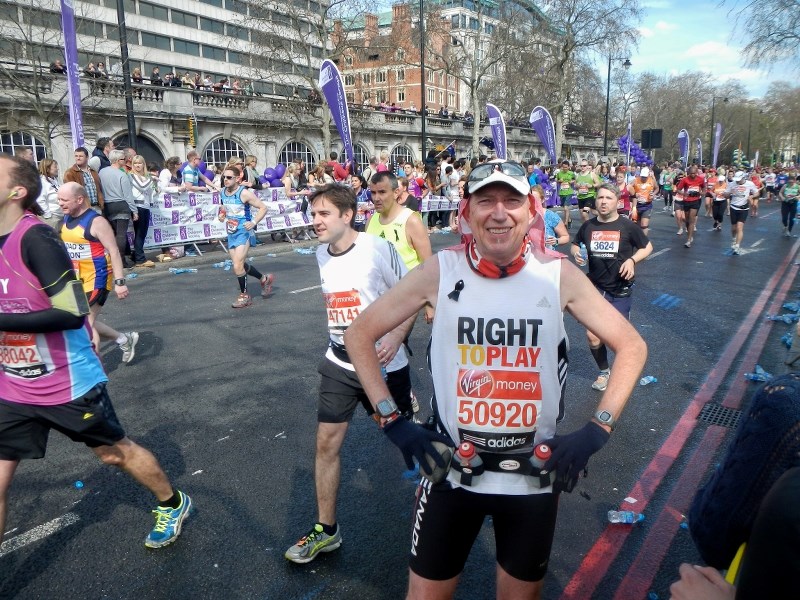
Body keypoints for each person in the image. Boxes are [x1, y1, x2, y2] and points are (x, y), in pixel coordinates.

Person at [342, 160, 647, 599]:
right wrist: (391, 421)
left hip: (532, 476)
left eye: (511, 200)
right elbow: (359, 334)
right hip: (451, 473)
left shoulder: (557, 274)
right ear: (466, 212)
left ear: (532, 210)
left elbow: (632, 346)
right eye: (485, 200)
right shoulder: (441, 271)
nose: (498, 212)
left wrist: (599, 428)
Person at [0, 155, 192, 550]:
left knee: (112, 454)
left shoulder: (36, 237)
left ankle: (172, 502)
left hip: (66, 382)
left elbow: (72, 311)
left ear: (16, 192)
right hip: (13, 388)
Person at [284, 183, 416, 565]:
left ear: (347, 215)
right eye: (313, 215)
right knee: (326, 443)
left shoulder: (377, 249)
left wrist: (395, 336)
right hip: (340, 363)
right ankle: (326, 530)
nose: (315, 222)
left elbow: (412, 294)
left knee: (404, 439)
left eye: (323, 214)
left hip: (383, 366)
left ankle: (441, 500)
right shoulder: (320, 254)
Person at [572, 183, 652, 392]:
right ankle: (604, 372)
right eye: (600, 198)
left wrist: (632, 261)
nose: (603, 202)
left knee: (617, 338)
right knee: (592, 335)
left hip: (619, 289)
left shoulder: (627, 226)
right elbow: (575, 242)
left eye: (608, 198)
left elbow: (647, 247)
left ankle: (625, 370)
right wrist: (575, 252)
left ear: (617, 201)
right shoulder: (588, 226)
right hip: (595, 289)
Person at [57, 182, 139, 360]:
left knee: (85, 325)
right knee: (79, 321)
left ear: (79, 199)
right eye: (58, 199)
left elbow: (115, 251)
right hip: (77, 281)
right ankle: (124, 339)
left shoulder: (97, 222)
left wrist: (120, 282)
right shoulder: (67, 218)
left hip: (98, 279)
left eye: (64, 200)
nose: (60, 203)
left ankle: (96, 373)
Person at [217, 165, 274, 308]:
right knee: (239, 265)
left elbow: (263, 208)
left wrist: (253, 222)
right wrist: (222, 214)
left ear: (237, 179)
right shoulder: (223, 192)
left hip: (244, 232)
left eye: (229, 177)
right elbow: (224, 207)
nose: (226, 180)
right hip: (231, 232)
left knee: (237, 265)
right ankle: (264, 279)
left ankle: (245, 296)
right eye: (224, 177)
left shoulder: (244, 193)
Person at [366, 171, 431, 271]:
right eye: (373, 193)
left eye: (382, 192)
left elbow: (428, 265)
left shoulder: (412, 221)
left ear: (396, 192)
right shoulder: (370, 220)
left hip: (409, 285)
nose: (376, 198)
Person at [98, 150, 138, 268]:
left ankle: (113, 259)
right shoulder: (122, 175)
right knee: (121, 234)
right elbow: (128, 195)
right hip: (121, 205)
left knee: (113, 234)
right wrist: (134, 211)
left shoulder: (102, 172)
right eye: (123, 159)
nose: (125, 161)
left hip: (107, 206)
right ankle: (120, 260)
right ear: (117, 160)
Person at [128, 154, 157, 268]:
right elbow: (142, 186)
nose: (137, 165)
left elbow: (152, 192)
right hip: (137, 206)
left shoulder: (147, 177)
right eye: (135, 163)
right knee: (139, 233)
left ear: (143, 164)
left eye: (140, 163)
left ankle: (136, 255)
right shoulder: (131, 176)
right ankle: (140, 259)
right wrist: (151, 179)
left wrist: (155, 185)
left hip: (145, 207)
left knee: (143, 233)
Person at [63, 147, 104, 212]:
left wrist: (101, 202)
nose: (78, 158)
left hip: (97, 207)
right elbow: (69, 193)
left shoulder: (93, 172)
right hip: (81, 208)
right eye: (76, 156)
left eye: (81, 156)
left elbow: (99, 189)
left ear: (87, 157)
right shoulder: (70, 173)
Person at [727, 171, 758, 255]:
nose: (737, 181)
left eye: (739, 179)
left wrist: (751, 196)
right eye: (736, 179)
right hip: (733, 207)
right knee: (734, 228)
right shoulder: (732, 184)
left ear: (743, 178)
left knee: (739, 227)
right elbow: (726, 195)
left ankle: (737, 246)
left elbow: (757, 192)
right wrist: (728, 193)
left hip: (744, 208)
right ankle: (734, 239)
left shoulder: (749, 184)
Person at [675, 165, 705, 248]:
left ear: (697, 173)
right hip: (687, 201)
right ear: (688, 173)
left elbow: (704, 187)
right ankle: (689, 233)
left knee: (692, 220)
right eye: (691, 173)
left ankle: (688, 240)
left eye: (694, 173)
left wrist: (702, 193)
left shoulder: (700, 179)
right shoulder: (685, 180)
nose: (693, 175)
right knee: (687, 220)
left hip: (696, 201)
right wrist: (684, 193)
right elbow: (678, 189)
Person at [627, 166, 658, 238]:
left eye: (645, 177)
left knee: (644, 224)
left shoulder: (652, 180)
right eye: (642, 176)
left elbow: (657, 188)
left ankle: (643, 241)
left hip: (647, 205)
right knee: (636, 225)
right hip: (637, 205)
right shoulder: (636, 180)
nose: (643, 178)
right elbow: (628, 188)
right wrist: (634, 193)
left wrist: (653, 194)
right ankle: (637, 239)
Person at [35, 158, 62, 226]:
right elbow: (40, 201)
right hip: (51, 219)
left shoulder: (53, 180)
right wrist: (48, 216)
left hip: (59, 216)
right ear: (47, 169)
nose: (57, 169)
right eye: (55, 167)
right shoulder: (42, 182)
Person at [555, 159, 576, 228]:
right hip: (562, 192)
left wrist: (572, 182)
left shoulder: (571, 173)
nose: (564, 169)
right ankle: (569, 220)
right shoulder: (559, 173)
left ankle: (566, 223)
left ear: (568, 167)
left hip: (569, 192)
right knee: (564, 208)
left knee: (566, 207)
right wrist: (559, 181)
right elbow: (556, 180)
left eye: (566, 167)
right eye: (563, 167)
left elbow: (575, 180)